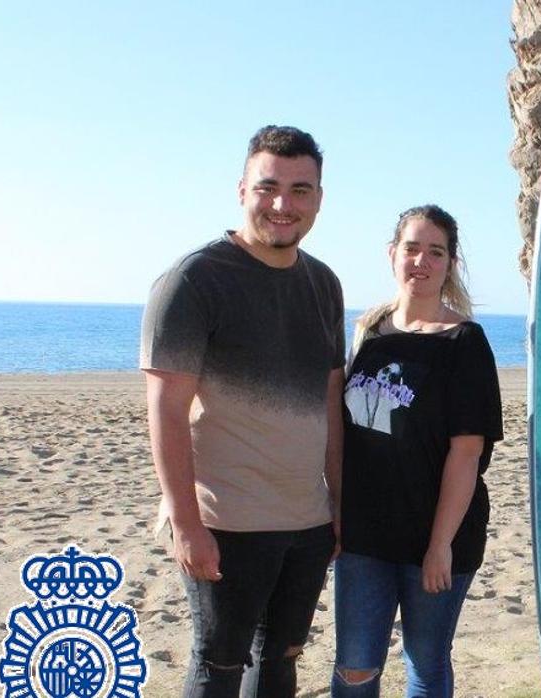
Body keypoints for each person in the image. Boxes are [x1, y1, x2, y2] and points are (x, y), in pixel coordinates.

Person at [140, 125, 345, 697]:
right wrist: (186, 522)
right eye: (269, 187)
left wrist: (339, 501)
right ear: (242, 190)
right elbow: (166, 409)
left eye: (301, 189)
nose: (284, 204)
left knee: (280, 660)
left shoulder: (323, 284)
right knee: (219, 663)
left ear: (319, 199)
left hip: (305, 520)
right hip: (224, 521)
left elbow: (330, 400)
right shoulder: (193, 280)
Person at [331, 204, 503, 697]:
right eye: (411, 248)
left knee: (425, 662)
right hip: (364, 536)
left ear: (450, 264)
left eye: (435, 252)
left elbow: (467, 454)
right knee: (355, 666)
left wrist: (439, 545)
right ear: (392, 254)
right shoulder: (370, 331)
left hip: (438, 535)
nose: (421, 262)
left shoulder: (464, 343)